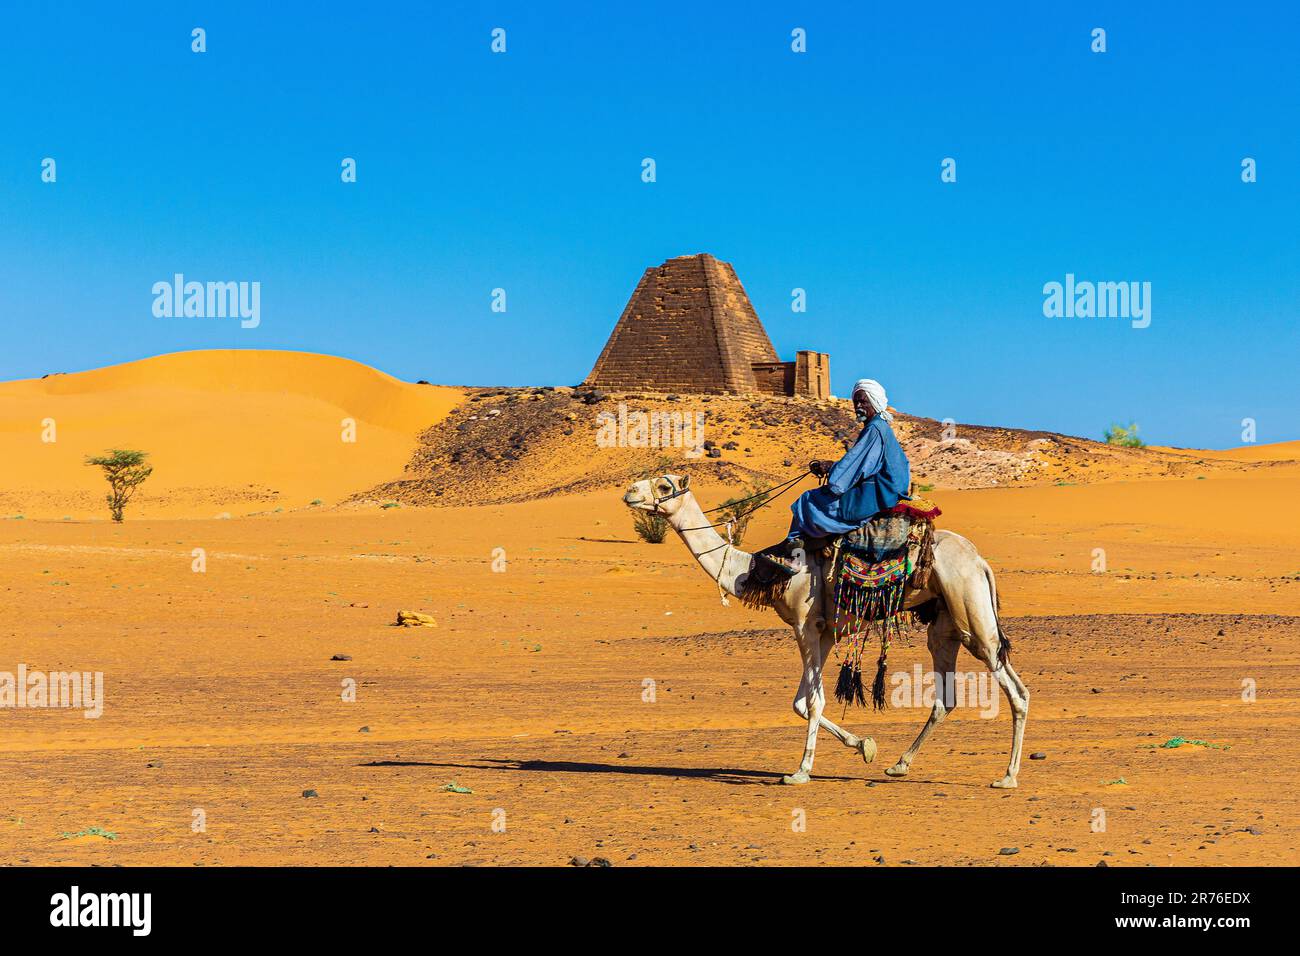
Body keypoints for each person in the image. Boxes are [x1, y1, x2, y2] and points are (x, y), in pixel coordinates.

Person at [756, 378, 911, 575]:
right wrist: (833, 466)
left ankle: (795, 559)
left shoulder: (874, 429)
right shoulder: (879, 428)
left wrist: (832, 471)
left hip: (877, 494)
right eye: (856, 401)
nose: (858, 406)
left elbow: (855, 466)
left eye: (863, 401)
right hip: (881, 489)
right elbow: (858, 463)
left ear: (874, 402)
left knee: (806, 501)